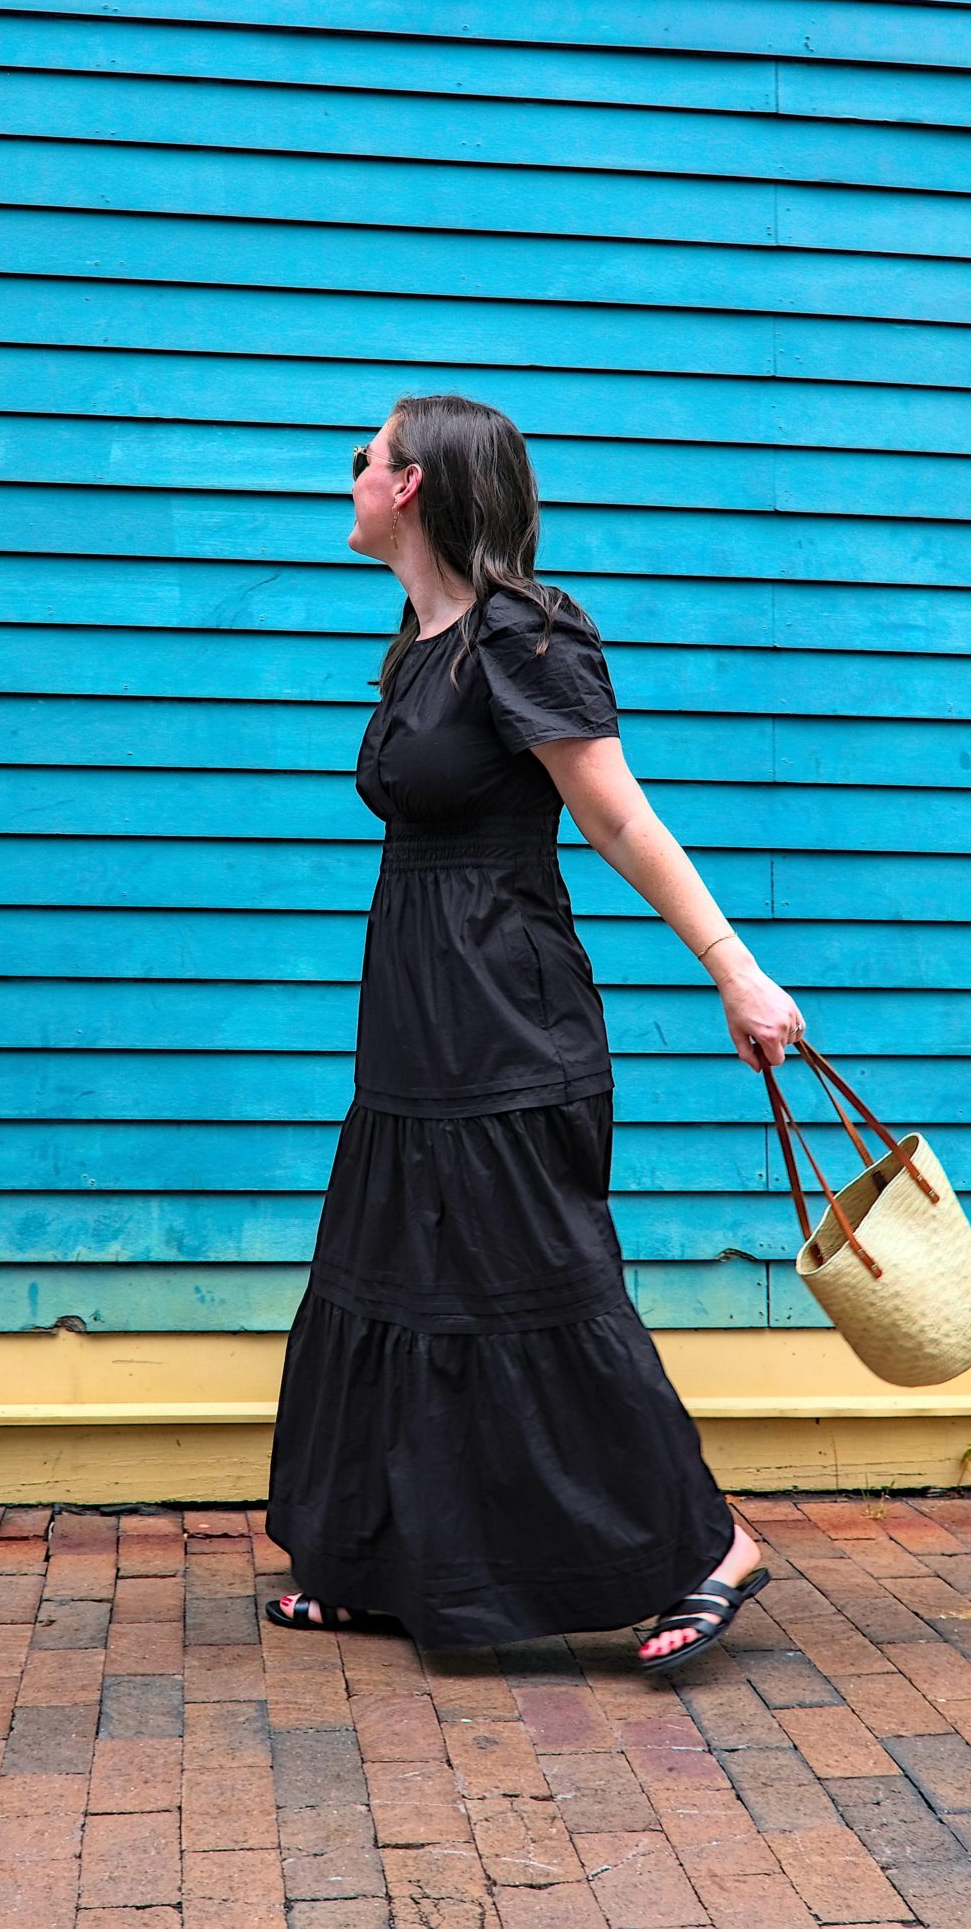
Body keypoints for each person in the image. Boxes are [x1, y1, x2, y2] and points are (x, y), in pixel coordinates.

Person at [263, 394, 805, 1674]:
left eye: (368, 455)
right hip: (416, 1013)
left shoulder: (524, 634)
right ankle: (384, 1560)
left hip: (507, 1014)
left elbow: (618, 820)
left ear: (414, 487)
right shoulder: (422, 639)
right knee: (400, 1275)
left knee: (545, 1285)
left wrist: (736, 970)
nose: (349, 471)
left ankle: (712, 1543)